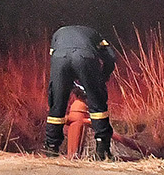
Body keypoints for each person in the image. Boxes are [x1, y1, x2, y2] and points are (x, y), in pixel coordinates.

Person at [44, 24, 117, 160]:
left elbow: (58, 58)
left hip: (59, 58)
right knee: (97, 104)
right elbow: (111, 57)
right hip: (85, 57)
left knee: (57, 104)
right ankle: (102, 150)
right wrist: (102, 77)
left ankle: (51, 148)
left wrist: (68, 83)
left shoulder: (58, 33)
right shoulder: (94, 33)